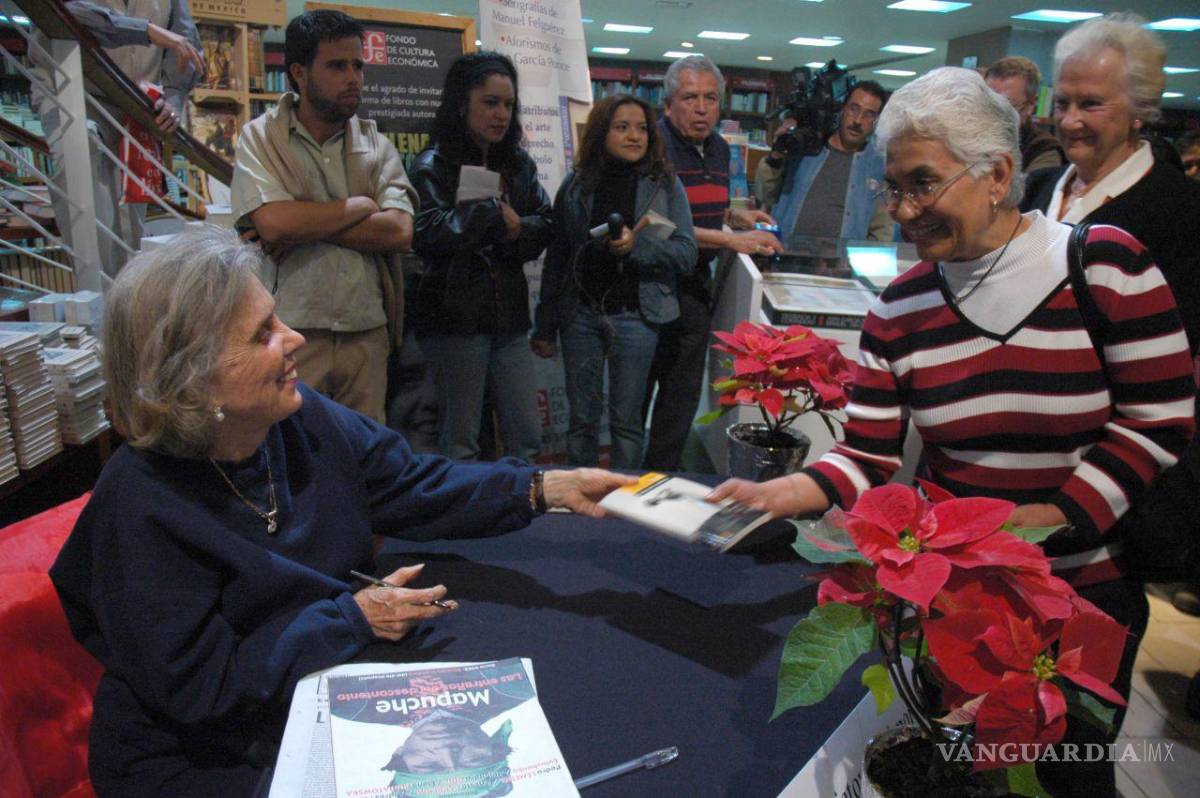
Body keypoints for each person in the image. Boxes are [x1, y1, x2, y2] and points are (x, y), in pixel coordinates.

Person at [711, 67, 1196, 797]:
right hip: (963, 604)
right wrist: (790, 491)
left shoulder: (1105, 265)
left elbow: (1158, 419)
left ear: (997, 173)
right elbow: (868, 455)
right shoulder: (899, 310)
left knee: (1069, 775)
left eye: (922, 184)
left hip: (1086, 594)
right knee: (966, 773)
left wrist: (1061, 516)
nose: (904, 210)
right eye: (892, 187)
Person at [48, 226, 632, 796]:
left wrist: (542, 487)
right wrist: (351, 620)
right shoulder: (141, 503)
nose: (294, 338)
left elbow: (409, 482)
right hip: (200, 755)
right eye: (262, 335)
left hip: (308, 693)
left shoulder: (296, 418)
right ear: (191, 381)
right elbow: (203, 689)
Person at [232, 10, 415, 424]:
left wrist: (303, 223)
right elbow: (275, 225)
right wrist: (357, 207)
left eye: (357, 65)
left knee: (365, 459)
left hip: (366, 330)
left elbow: (400, 231)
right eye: (337, 66)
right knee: (294, 449)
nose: (353, 77)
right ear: (298, 72)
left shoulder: (376, 143)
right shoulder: (261, 138)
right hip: (290, 329)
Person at [1022, 13, 1200, 361]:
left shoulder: (1182, 208)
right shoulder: (1036, 189)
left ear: (1139, 109)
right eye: (1062, 103)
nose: (1070, 121)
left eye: (1090, 103)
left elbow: (1176, 340)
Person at [531, 95, 697, 468]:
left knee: (626, 423)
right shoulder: (577, 184)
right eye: (622, 127)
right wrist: (545, 325)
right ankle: (579, 497)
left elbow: (687, 254)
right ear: (602, 133)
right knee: (582, 421)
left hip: (637, 317)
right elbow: (558, 257)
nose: (634, 136)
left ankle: (624, 506)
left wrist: (639, 247)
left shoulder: (664, 185)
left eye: (641, 128)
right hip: (582, 316)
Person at [409, 52, 553, 462]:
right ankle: (464, 519)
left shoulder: (518, 163)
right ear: (461, 104)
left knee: (527, 434)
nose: (501, 115)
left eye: (508, 105)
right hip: (455, 317)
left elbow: (546, 222)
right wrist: (487, 213)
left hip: (508, 319)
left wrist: (516, 228)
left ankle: (526, 515)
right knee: (461, 440)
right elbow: (424, 232)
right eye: (490, 103)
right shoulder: (433, 163)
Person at [642, 55, 780, 471]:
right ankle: (628, 478)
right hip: (651, 285)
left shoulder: (720, 148)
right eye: (690, 98)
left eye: (710, 98)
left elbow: (700, 212)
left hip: (697, 284)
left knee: (682, 392)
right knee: (639, 391)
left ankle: (662, 474)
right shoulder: (653, 147)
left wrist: (733, 217)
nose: (701, 108)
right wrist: (730, 238)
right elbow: (657, 226)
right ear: (668, 105)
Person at [32, 0, 205, 278]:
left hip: (135, 104)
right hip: (70, 89)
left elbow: (187, 45)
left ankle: (121, 304)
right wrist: (146, 31)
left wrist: (173, 98)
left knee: (129, 222)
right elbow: (68, 13)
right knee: (82, 158)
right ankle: (95, 292)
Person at [756, 81, 894, 242]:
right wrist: (777, 154)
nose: (858, 120)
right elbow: (765, 195)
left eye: (869, 114)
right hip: (786, 255)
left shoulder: (879, 168)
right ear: (843, 109)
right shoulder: (807, 148)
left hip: (840, 263)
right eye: (854, 109)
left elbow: (882, 231)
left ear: (877, 121)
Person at [984, 56, 1066, 174]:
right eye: (989, 104)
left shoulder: (1044, 150)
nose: (993, 116)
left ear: (1031, 105)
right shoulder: (967, 135)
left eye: (1007, 107)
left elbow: (1032, 190)